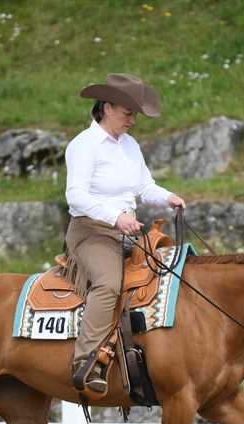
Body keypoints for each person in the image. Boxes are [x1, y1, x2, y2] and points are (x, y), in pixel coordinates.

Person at [63, 73, 186, 394]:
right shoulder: (84, 145)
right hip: (91, 231)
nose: (133, 120)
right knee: (108, 283)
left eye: (135, 114)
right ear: (107, 108)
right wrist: (116, 217)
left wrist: (168, 197)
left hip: (127, 230)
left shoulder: (129, 145)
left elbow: (144, 187)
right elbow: (75, 195)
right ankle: (86, 361)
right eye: (128, 113)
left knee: (171, 276)